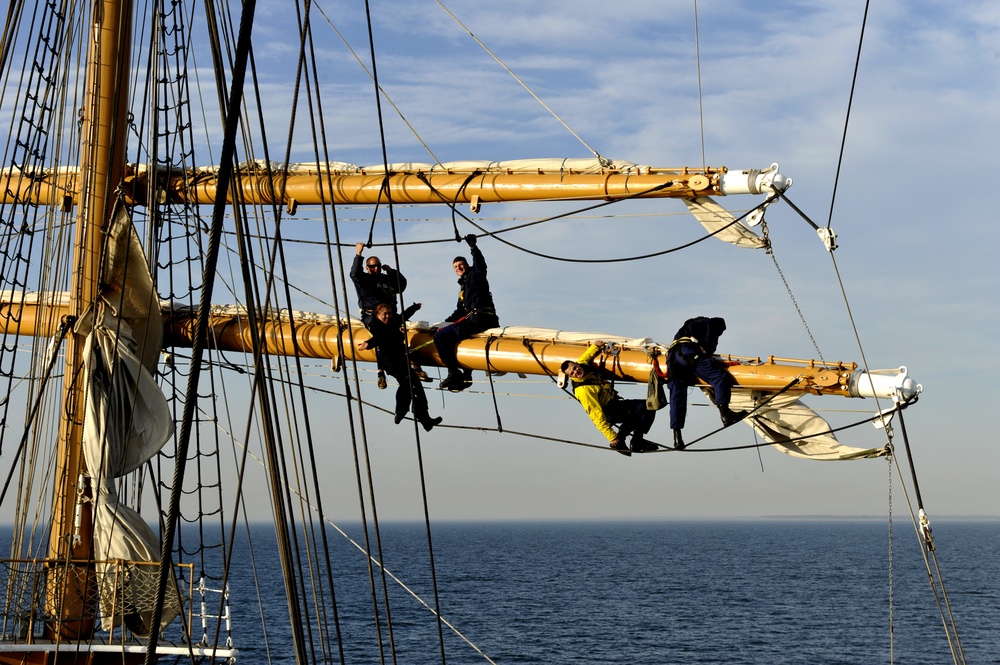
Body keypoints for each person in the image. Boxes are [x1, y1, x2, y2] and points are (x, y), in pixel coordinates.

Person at [559, 340, 658, 456]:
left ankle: (628, 439)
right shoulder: (583, 391)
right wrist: (611, 437)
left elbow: (586, 356)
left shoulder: (583, 365)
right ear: (570, 376)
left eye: (575, 368)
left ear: (577, 364)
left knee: (647, 406)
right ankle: (634, 441)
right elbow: (596, 415)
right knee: (645, 408)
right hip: (608, 411)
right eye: (572, 373)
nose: (576, 372)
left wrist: (595, 346)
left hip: (614, 403)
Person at [351, 242, 427, 388]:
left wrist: (391, 271)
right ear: (367, 268)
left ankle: (413, 367)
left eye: (378, 266)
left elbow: (401, 285)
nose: (376, 268)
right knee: (383, 337)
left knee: (396, 339)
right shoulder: (364, 280)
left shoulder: (386, 279)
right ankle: (381, 373)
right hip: (372, 316)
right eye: (372, 266)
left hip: (390, 316)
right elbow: (354, 274)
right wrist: (358, 254)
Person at [357, 302, 442, 432]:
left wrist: (414, 307)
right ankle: (405, 413)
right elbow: (379, 337)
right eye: (384, 314)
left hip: (401, 360)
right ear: (377, 315)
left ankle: (422, 419)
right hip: (391, 363)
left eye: (389, 313)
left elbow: (403, 316)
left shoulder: (393, 322)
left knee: (415, 387)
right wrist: (368, 343)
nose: (387, 316)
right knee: (409, 385)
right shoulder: (376, 326)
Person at [666, 316, 748, 450]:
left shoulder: (692, 323)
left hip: (672, 357)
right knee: (719, 376)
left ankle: (677, 438)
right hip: (688, 351)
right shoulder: (710, 324)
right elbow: (710, 346)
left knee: (677, 395)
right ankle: (726, 414)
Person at [434, 234, 499, 392]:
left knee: (441, 337)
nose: (458, 268)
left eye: (460, 264)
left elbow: (481, 265)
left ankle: (453, 372)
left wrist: (473, 247)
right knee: (449, 333)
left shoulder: (475, 276)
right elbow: (459, 312)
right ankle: (466, 375)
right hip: (477, 318)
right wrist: (441, 324)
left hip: (481, 318)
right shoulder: (463, 289)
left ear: (466, 265)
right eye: (455, 267)